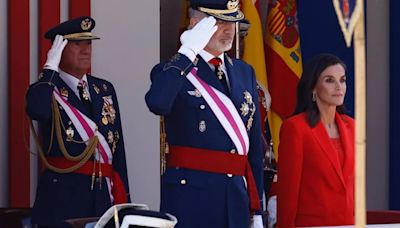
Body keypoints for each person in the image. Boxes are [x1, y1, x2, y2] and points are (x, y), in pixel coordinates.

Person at [145, 0, 264, 227]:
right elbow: (157, 103)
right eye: (219, 22)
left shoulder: (243, 71)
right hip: (191, 197)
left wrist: (257, 208)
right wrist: (187, 53)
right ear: (195, 24)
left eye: (233, 22)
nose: (229, 30)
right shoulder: (173, 69)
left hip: (236, 198)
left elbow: (253, 146)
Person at [26, 16, 130, 227]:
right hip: (64, 197)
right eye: (76, 44)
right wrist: (50, 69)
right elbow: (37, 110)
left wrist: (124, 197)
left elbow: (117, 151)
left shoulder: (104, 89)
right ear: (59, 49)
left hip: (103, 196)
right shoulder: (45, 89)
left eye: (88, 43)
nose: (86, 50)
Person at [277, 53, 354, 227]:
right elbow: (288, 192)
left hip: (348, 223)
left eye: (342, 80)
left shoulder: (353, 127)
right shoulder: (295, 128)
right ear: (313, 87)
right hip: (312, 224)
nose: (338, 87)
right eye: (329, 80)